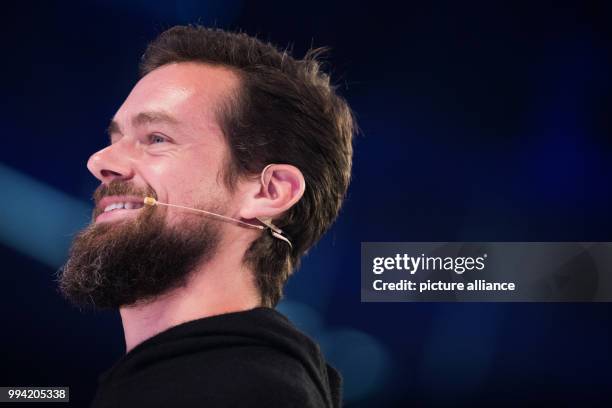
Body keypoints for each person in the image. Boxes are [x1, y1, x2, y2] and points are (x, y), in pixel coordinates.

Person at [57, 24, 355, 408]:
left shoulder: (246, 393)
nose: (100, 161)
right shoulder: (181, 382)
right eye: (115, 139)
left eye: (157, 138)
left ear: (270, 191)